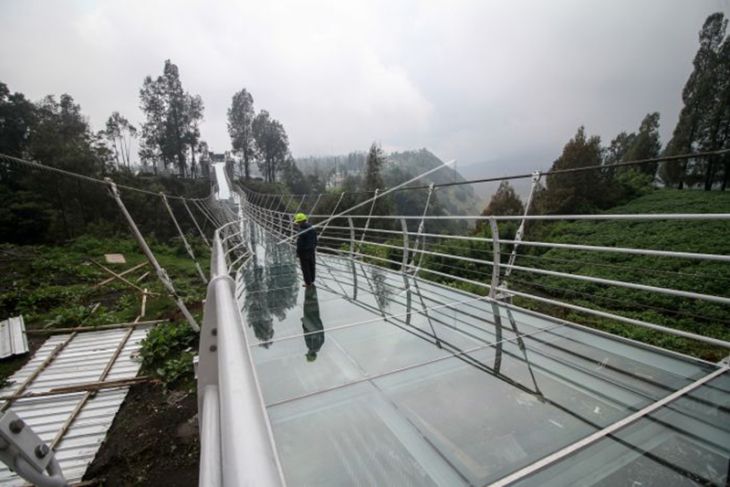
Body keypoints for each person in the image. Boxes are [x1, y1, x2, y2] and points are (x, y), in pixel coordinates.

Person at [302, 286, 324, 362]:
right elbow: (313, 331)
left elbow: (320, 330)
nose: (307, 352)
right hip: (310, 318)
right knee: (308, 302)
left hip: (316, 318)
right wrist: (305, 322)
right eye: (308, 354)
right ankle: (309, 286)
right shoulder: (311, 345)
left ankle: (311, 287)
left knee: (313, 301)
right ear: (310, 354)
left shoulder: (320, 344)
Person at [294, 212, 317, 287]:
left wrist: (298, 253)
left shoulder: (301, 231)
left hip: (303, 252)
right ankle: (312, 280)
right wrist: (314, 247)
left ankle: (308, 283)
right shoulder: (312, 228)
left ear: (300, 222)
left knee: (305, 267)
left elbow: (300, 244)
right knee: (312, 265)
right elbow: (315, 239)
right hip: (311, 250)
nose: (297, 223)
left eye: (297, 222)